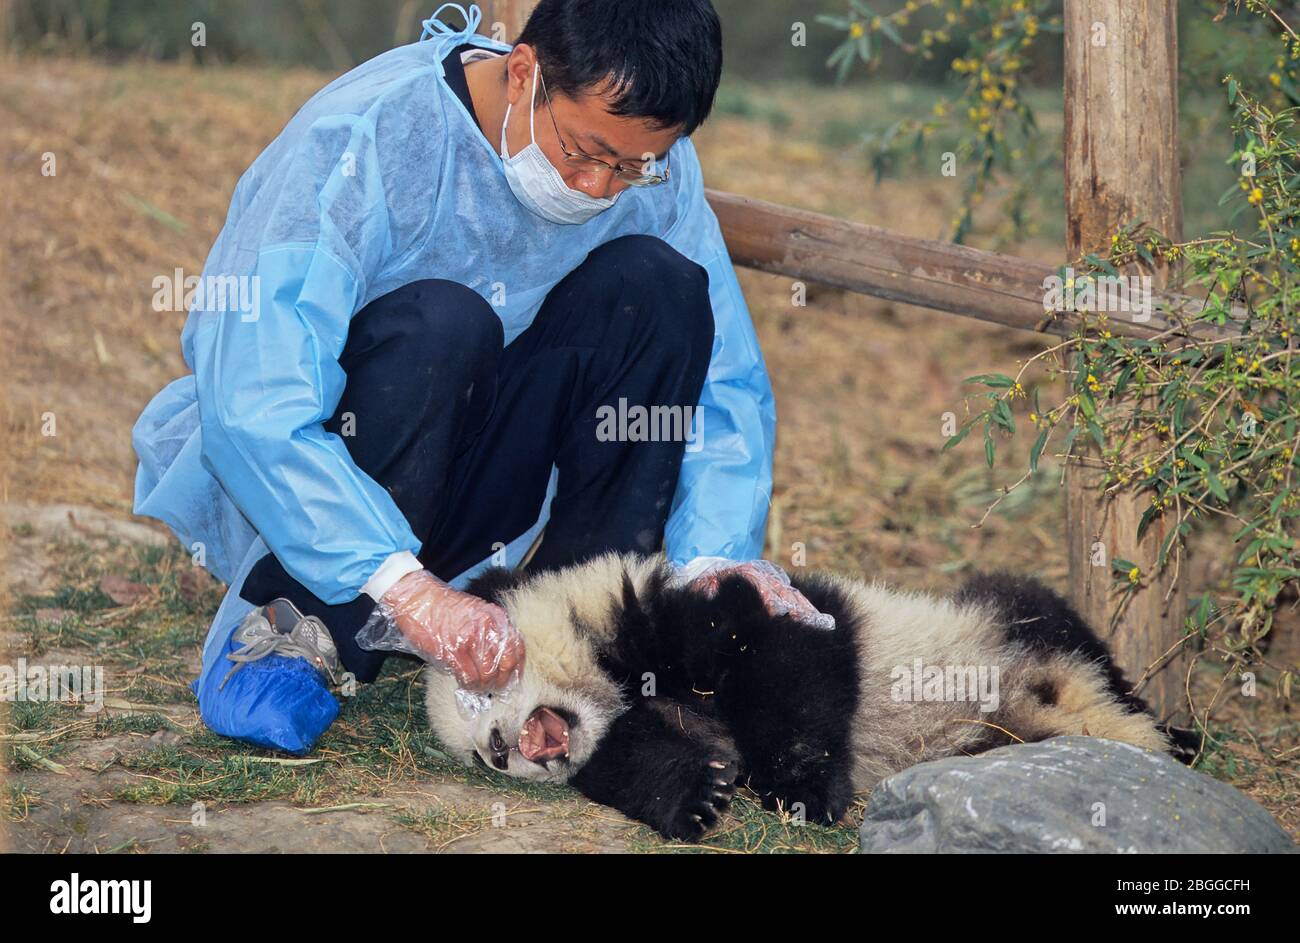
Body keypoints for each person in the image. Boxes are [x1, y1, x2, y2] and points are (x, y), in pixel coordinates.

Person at [131, 0, 827, 755]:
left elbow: (724, 376)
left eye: (632, 166)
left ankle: (578, 634)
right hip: (337, 473)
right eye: (586, 152)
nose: (600, 188)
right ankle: (306, 623)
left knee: (662, 287)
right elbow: (253, 399)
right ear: (525, 71)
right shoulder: (368, 136)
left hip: (492, 468)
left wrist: (715, 558)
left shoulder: (652, 171)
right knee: (446, 323)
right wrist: (404, 587)